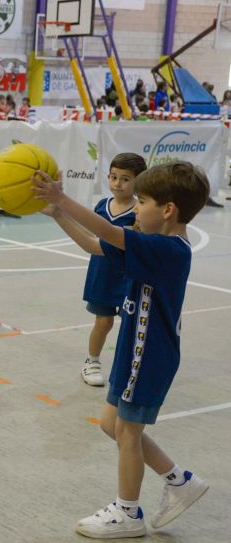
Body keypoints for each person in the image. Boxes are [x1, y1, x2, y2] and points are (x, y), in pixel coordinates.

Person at [33, 161, 211, 539]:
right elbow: (95, 245)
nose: (136, 207)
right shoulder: (153, 244)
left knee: (128, 433)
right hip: (134, 350)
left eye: (142, 201)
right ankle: (180, 481)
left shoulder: (168, 249)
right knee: (111, 424)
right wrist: (58, 214)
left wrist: (62, 197)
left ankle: (128, 513)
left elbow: (110, 231)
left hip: (149, 355)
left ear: (168, 210)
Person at [77, 154, 147, 387]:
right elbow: (91, 239)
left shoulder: (141, 211)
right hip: (102, 273)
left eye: (125, 179)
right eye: (114, 177)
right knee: (103, 322)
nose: (117, 183)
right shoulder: (101, 206)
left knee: (131, 325)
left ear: (139, 181)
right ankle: (92, 361)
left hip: (129, 276)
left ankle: (128, 368)